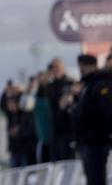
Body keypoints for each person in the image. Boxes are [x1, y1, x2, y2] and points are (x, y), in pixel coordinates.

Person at [71, 54, 112, 185]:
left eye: (83, 66)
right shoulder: (88, 85)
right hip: (87, 140)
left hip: (97, 141)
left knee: (96, 179)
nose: (81, 69)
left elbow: (107, 111)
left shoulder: (101, 84)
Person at [46, 57, 76, 160]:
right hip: (55, 130)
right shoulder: (50, 86)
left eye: (58, 67)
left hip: (68, 130)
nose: (56, 70)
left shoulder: (70, 83)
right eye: (54, 68)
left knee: (67, 160)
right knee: (56, 160)